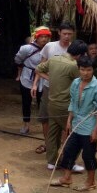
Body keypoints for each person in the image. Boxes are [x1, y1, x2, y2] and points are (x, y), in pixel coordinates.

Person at [51, 57, 97, 191]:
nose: (85, 73)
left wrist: (95, 130)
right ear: (79, 69)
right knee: (69, 151)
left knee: (88, 155)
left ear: (93, 70)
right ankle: (66, 178)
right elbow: (73, 102)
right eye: (82, 69)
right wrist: (69, 120)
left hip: (89, 127)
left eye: (89, 70)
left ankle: (90, 182)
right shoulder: (75, 83)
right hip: (76, 124)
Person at [36, 39, 88, 172]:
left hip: (52, 101)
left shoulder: (54, 59)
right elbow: (84, 82)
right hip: (65, 104)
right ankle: (69, 161)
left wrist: (49, 78)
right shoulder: (73, 66)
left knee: (53, 133)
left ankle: (51, 162)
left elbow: (38, 69)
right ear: (80, 55)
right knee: (73, 133)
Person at [33, 22, 75, 153]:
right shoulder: (49, 47)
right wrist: (36, 84)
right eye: (64, 34)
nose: (67, 36)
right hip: (48, 88)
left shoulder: (74, 49)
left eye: (69, 34)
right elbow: (41, 66)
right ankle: (48, 144)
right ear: (59, 33)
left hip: (66, 91)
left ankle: (63, 146)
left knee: (64, 119)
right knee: (45, 117)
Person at [15, 27, 50, 135]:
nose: (44, 39)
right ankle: (26, 125)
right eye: (41, 36)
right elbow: (17, 60)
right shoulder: (26, 48)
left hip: (43, 78)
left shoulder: (50, 48)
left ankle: (45, 126)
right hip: (27, 77)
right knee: (26, 102)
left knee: (43, 102)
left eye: (46, 37)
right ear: (36, 37)